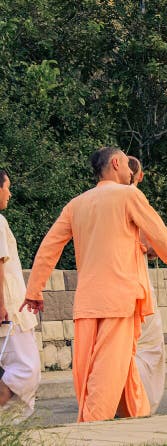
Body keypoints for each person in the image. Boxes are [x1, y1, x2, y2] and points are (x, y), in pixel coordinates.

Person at [22, 147, 167, 422]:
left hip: (88, 302)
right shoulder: (129, 195)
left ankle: (136, 423)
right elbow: (158, 233)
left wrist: (34, 290)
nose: (130, 170)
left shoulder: (76, 204)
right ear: (115, 163)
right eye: (126, 164)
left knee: (100, 370)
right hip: (119, 299)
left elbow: (49, 246)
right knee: (106, 374)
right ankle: (91, 430)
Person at [0, 170, 40, 421]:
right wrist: (2, 304)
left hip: (10, 307)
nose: (10, 193)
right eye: (7, 187)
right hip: (10, 309)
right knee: (27, 369)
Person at [128, 156, 167, 415]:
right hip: (138, 282)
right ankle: (143, 402)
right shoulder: (134, 199)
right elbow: (152, 243)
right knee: (150, 347)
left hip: (110, 286)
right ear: (139, 176)